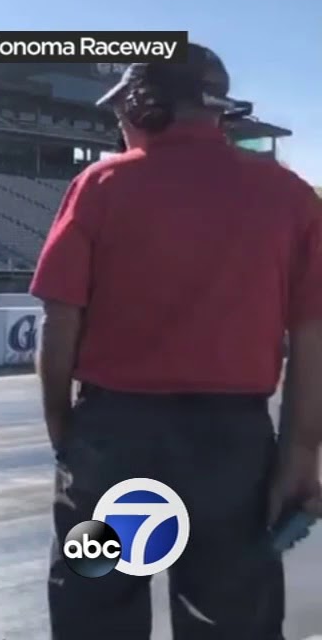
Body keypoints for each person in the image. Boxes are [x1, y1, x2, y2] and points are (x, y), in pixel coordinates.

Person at [32, 43, 322, 640]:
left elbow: (58, 324)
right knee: (233, 619)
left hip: (112, 443)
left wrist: (67, 434)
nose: (118, 123)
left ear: (145, 106)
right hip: (233, 451)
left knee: (95, 610)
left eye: (120, 111)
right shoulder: (292, 198)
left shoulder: (101, 184)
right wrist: (298, 457)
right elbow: (314, 339)